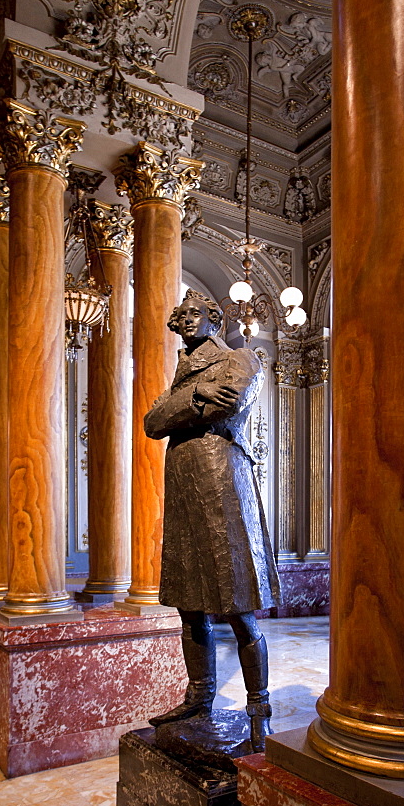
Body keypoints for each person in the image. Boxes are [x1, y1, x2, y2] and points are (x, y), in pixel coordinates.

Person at [144, 289, 280, 751]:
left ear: (214, 319)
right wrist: (196, 395)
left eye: (193, 313)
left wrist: (188, 402)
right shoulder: (188, 372)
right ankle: (198, 696)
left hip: (221, 478)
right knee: (189, 603)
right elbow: (151, 422)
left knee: (238, 605)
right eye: (178, 313)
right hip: (184, 486)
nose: (182, 318)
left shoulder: (240, 358)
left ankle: (259, 707)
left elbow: (228, 405)